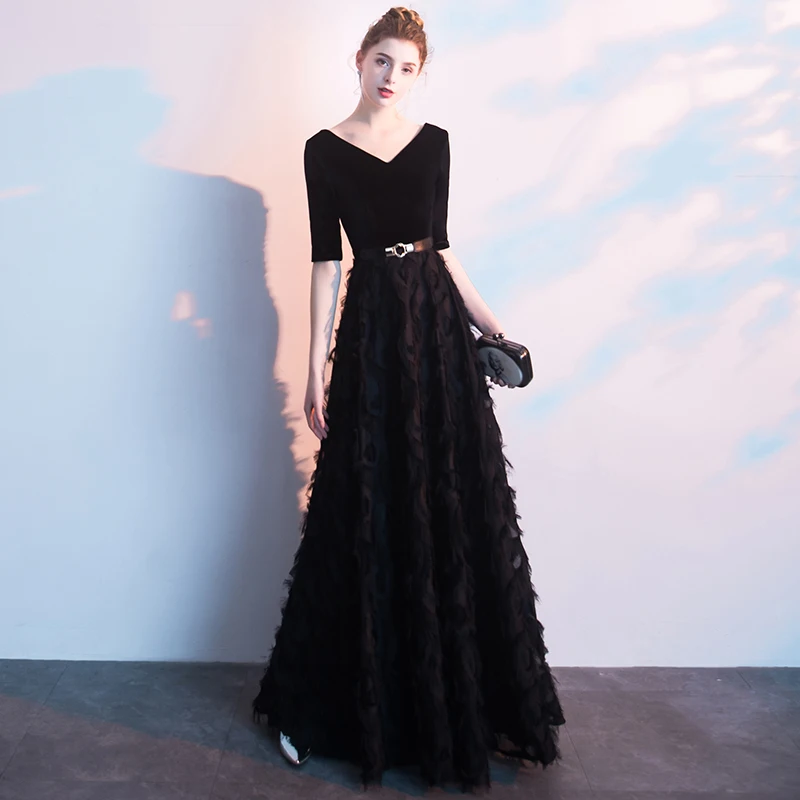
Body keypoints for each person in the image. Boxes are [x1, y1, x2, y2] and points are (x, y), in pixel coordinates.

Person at [252, 6, 566, 792]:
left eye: (407, 67)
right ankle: (315, 712)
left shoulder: (436, 144)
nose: (392, 77)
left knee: (449, 508)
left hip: (437, 333)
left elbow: (445, 251)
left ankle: (451, 709)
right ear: (359, 60)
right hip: (372, 333)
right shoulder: (324, 150)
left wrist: (496, 330)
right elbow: (326, 262)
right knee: (360, 509)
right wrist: (315, 368)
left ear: (420, 74)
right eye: (382, 61)